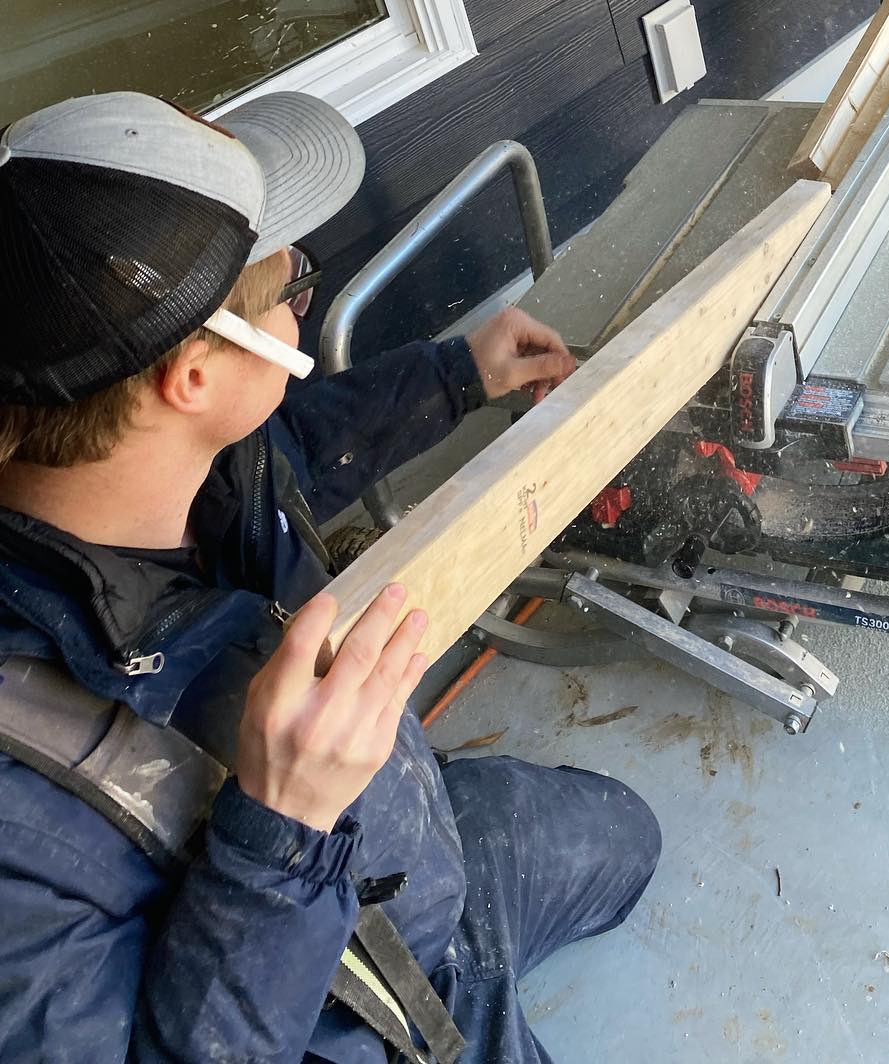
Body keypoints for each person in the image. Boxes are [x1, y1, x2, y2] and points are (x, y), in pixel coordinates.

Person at [0, 88, 660, 1063]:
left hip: (399, 852)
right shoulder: (24, 801)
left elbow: (279, 454)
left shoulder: (167, 455)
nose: (305, 302)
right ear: (193, 374)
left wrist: (455, 376)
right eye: (293, 285)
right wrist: (279, 832)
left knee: (628, 840)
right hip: (341, 1010)